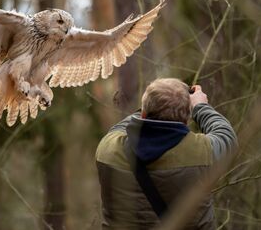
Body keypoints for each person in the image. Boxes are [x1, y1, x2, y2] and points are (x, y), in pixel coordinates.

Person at [95, 78, 237, 229]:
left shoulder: (108, 150)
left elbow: (123, 126)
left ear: (143, 113)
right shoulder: (202, 152)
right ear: (186, 119)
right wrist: (200, 106)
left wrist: (152, 103)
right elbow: (226, 134)